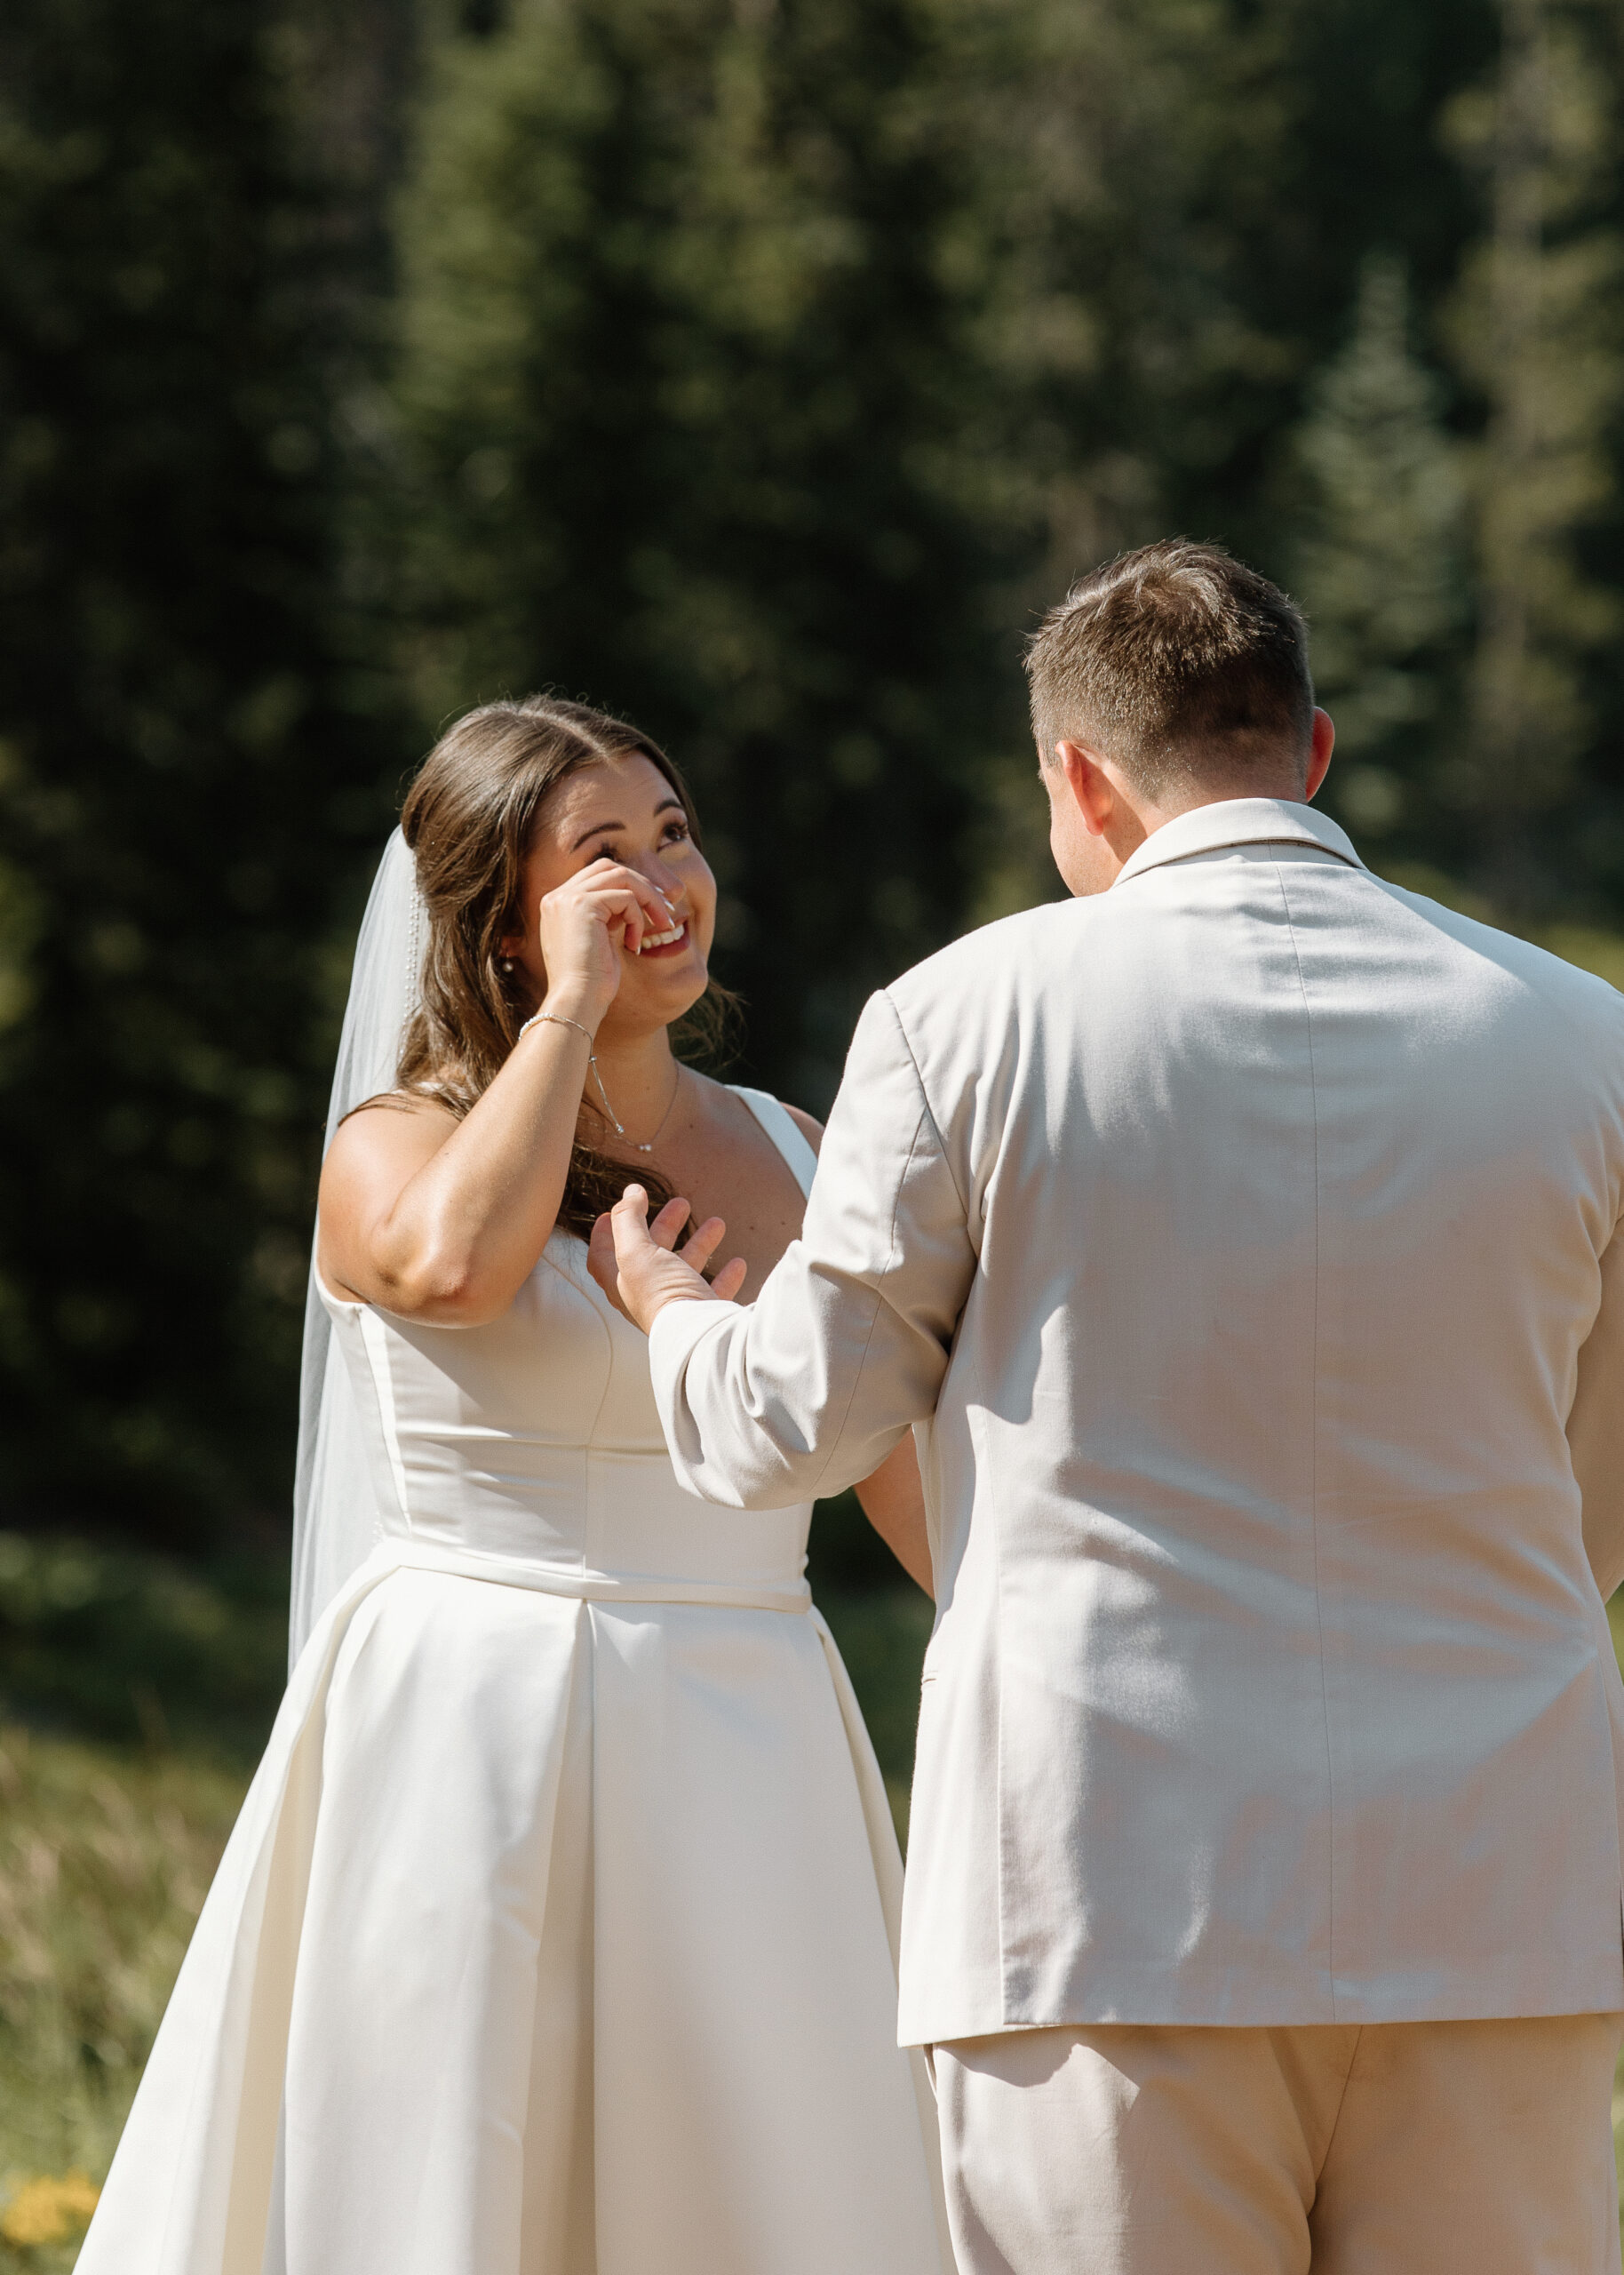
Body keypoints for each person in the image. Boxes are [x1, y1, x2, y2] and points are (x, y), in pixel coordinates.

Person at [601, 542, 1624, 2275]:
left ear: (1078, 777)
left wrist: (676, 1312)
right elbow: (1589, 1501)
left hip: (1102, 1893)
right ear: (1310, 753)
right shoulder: (1582, 1035)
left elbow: (801, 1420)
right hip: (1496, 1904)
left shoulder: (964, 1015)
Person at [77, 696, 951, 2275]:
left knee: (762, 2174)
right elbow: (457, 1272)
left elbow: (895, 1471)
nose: (660, 883)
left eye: (673, 833)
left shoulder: (808, 1151)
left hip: (751, 1725)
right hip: (472, 1721)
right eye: (600, 855)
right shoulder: (399, 1142)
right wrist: (566, 1021)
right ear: (500, 918)